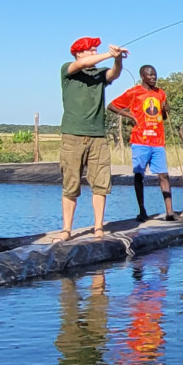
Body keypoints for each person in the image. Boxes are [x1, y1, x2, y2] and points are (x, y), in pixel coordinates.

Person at [58, 37, 128, 241]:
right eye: (91, 50)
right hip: (72, 136)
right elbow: (82, 64)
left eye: (96, 50)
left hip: (98, 136)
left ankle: (98, 228)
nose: (95, 53)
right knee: (70, 184)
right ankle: (66, 230)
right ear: (79, 52)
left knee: (100, 184)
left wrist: (118, 59)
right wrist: (109, 54)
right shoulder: (67, 69)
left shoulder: (99, 73)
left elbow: (114, 73)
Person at [108, 65, 176, 222]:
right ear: (143, 77)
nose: (153, 77)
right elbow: (111, 106)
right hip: (140, 140)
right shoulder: (134, 92)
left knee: (164, 175)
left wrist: (165, 110)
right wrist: (130, 115)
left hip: (158, 140)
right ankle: (142, 210)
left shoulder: (160, 93)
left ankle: (170, 212)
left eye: (155, 75)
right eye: (150, 75)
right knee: (139, 175)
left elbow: (163, 117)